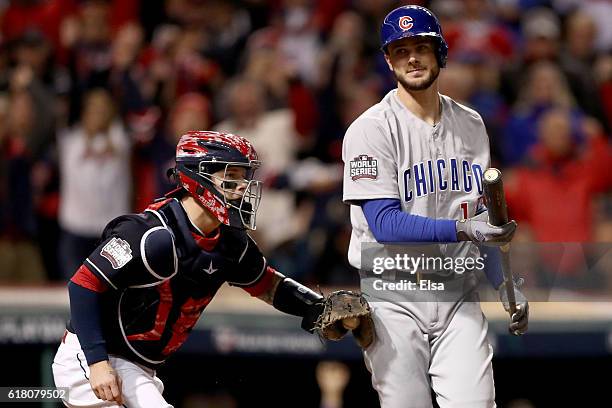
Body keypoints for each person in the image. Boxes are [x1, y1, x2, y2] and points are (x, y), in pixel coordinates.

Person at [52, 130, 368, 407]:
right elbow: (83, 285)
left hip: (137, 366)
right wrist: (96, 362)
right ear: (197, 177)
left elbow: (267, 285)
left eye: (245, 179)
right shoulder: (152, 236)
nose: (243, 188)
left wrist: (316, 306)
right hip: (93, 354)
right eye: (231, 178)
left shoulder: (231, 243)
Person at [341, 6, 528, 408]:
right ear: (389, 60)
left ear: (440, 54)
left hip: (457, 290)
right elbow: (385, 224)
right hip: (394, 294)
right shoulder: (370, 129)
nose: (412, 57)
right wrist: (462, 231)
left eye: (422, 47)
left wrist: (504, 282)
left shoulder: (473, 124)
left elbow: (480, 220)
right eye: (401, 49)